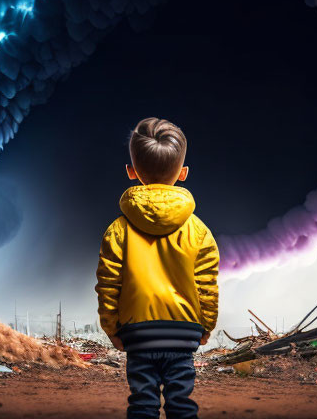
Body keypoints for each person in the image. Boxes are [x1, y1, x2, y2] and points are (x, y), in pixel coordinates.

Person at [96, 117, 219, 419]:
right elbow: (207, 284)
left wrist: (112, 328)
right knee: (181, 404)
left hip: (138, 333)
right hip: (184, 331)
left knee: (143, 404)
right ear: (183, 173)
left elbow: (108, 284)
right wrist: (205, 327)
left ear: (132, 172)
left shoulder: (118, 230)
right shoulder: (200, 231)